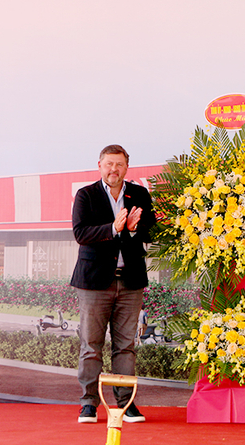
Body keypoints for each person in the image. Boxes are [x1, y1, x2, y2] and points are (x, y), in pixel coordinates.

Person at [71, 144, 155, 425]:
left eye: (119, 165)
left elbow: (151, 229)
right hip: (94, 283)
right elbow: (81, 233)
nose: (113, 170)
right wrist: (113, 228)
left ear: (127, 168)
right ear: (99, 165)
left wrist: (133, 229)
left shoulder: (139, 194)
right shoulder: (86, 195)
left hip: (130, 281)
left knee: (125, 347)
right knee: (91, 345)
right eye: (108, 164)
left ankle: (126, 404)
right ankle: (88, 404)